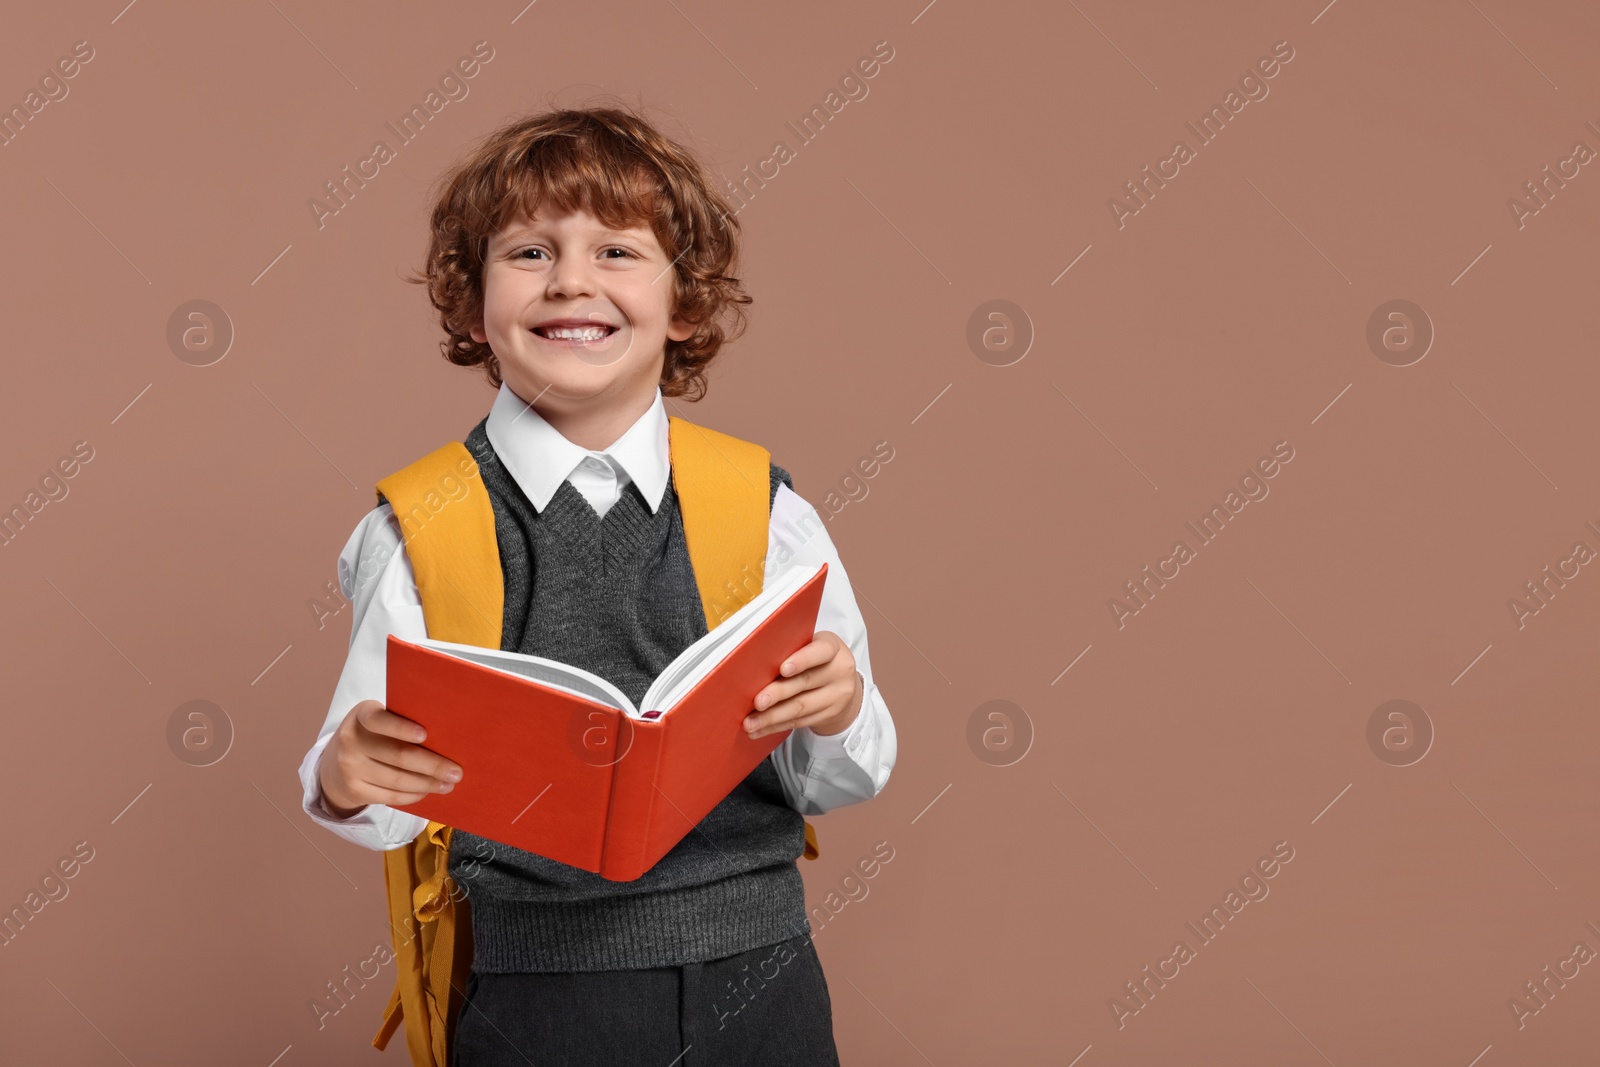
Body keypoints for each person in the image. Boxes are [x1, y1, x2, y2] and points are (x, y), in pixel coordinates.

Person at [295, 104, 898, 1065]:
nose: (572, 279)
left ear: (686, 303)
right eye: (529, 252)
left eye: (618, 252)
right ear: (470, 301)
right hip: (537, 998)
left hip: (763, 977)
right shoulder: (417, 526)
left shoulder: (766, 510)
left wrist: (839, 706)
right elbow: (378, 791)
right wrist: (344, 774)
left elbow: (839, 775)